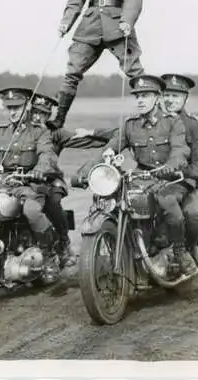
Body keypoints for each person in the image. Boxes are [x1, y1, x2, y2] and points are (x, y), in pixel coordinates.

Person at [75, 75, 198, 277]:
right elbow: (109, 148)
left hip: (172, 177)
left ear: (157, 98)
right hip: (144, 177)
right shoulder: (130, 125)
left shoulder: (173, 122)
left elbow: (180, 150)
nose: (140, 100)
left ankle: (179, 251)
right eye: (138, 96)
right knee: (115, 199)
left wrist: (170, 165)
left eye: (146, 95)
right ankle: (131, 248)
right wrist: (86, 172)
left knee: (167, 202)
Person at [47, 0, 144, 130]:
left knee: (134, 70)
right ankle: (58, 119)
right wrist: (66, 23)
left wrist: (127, 22)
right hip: (89, 27)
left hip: (117, 26)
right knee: (72, 71)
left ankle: (154, 115)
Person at [0, 87, 60, 258]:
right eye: (9, 108)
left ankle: (49, 251)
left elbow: (47, 155)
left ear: (27, 106)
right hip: (3, 183)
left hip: (29, 184)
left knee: (31, 211)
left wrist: (39, 171)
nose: (12, 112)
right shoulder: (1, 132)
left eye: (17, 107)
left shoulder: (39, 132)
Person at [30, 92, 115, 266]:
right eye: (35, 112)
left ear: (49, 115)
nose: (37, 117)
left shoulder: (56, 134)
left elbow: (87, 141)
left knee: (52, 202)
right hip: (24, 181)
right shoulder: (21, 132)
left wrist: (111, 139)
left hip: (50, 180)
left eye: (43, 113)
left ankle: (63, 243)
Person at [161, 73, 198, 268]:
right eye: (166, 94)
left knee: (190, 214)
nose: (169, 100)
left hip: (187, 182)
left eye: (175, 96)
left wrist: (184, 173)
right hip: (158, 181)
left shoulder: (194, 125)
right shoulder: (155, 120)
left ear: (185, 98)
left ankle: (190, 250)